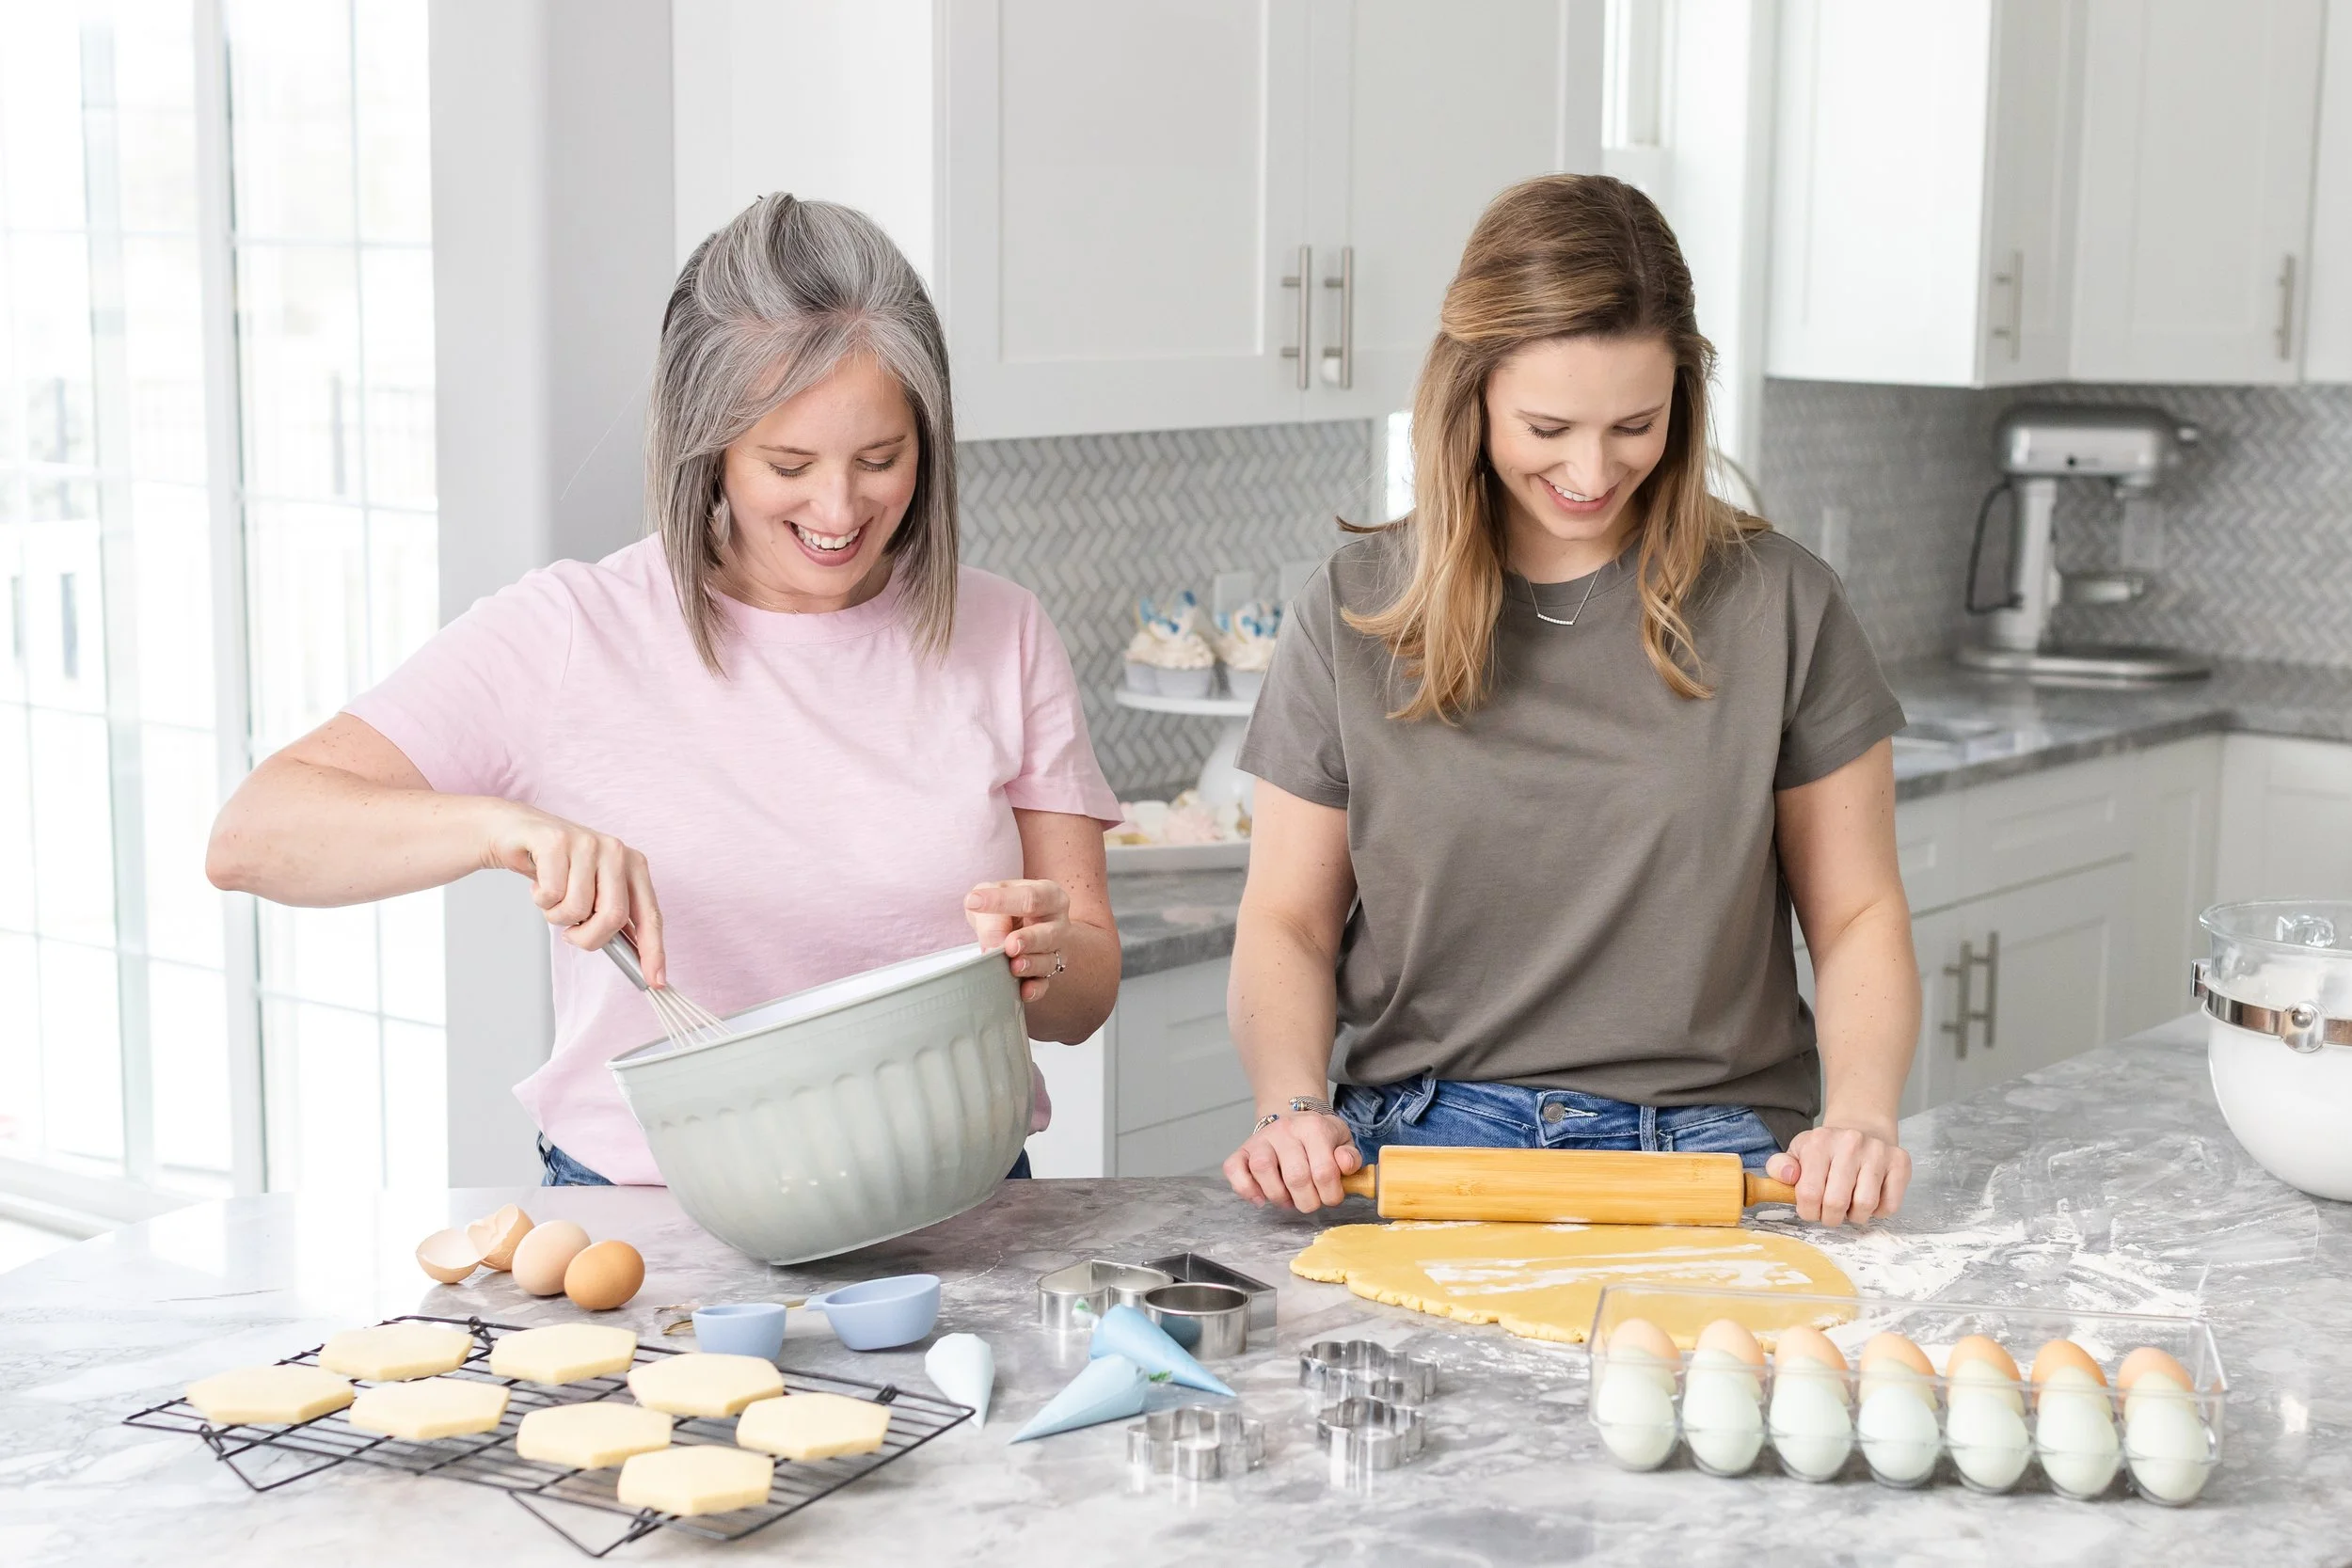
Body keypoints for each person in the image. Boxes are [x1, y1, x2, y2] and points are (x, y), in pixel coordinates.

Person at [208, 196, 1121, 1186]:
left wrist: (1048, 950)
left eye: (879, 460)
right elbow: (253, 837)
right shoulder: (573, 631)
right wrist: (503, 829)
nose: (838, 507)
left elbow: (1085, 998)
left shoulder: (1002, 630)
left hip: (966, 1205)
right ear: (708, 447)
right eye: (788, 463)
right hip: (656, 1223)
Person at [1222, 174, 1917, 1227]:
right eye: (1548, 425)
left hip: (1716, 1151)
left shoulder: (1781, 603)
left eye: (1635, 424)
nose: (1592, 471)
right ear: (1472, 394)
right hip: (1420, 1149)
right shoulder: (1356, 610)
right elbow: (1287, 919)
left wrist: (1861, 1117)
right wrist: (1288, 1104)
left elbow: (1857, 911)